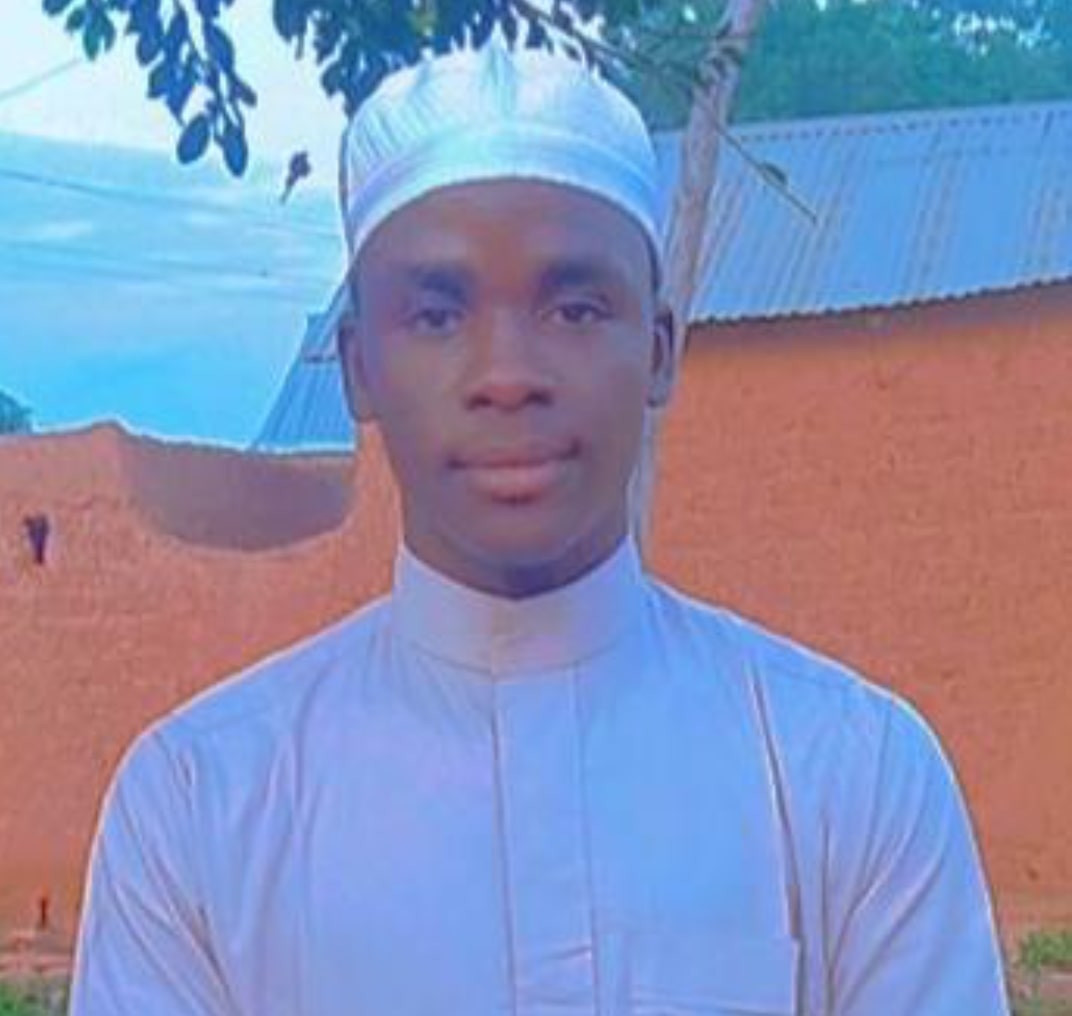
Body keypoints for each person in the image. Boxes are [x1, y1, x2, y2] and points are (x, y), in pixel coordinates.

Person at [69, 36, 1010, 1016]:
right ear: (357, 368)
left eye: (575, 309)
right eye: (437, 316)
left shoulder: (850, 774)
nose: (508, 375)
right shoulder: (199, 805)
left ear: (658, 349)